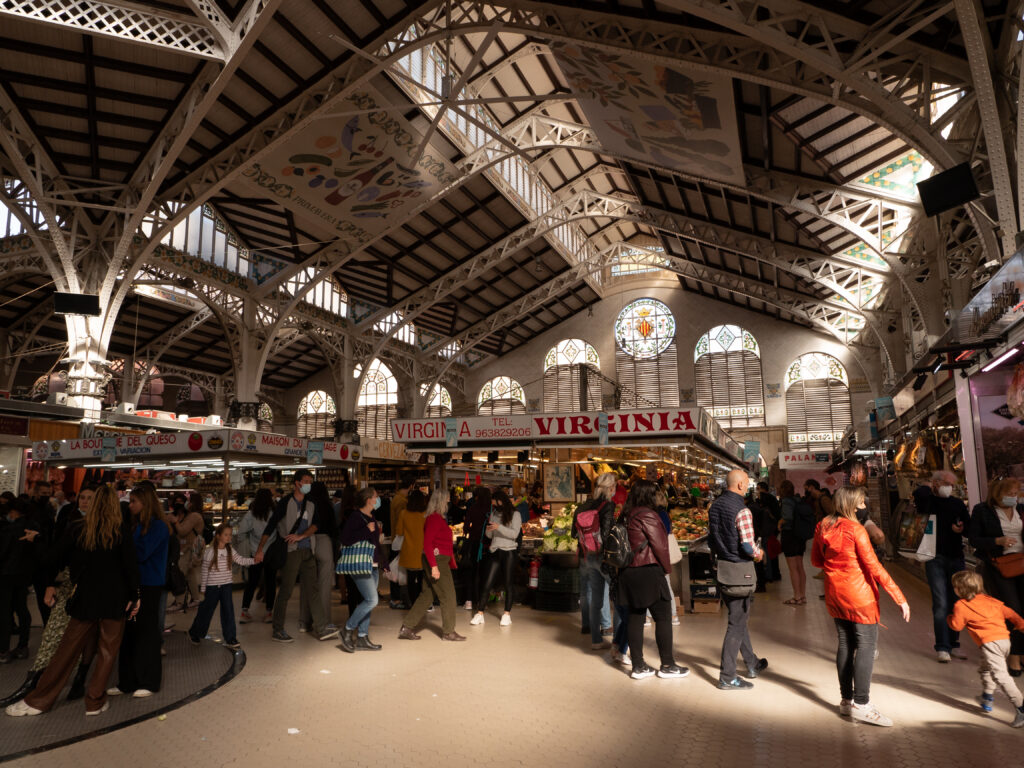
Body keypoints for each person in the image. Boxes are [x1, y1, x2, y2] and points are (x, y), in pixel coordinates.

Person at [6, 485, 140, 717]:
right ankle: (94, 702)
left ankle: (39, 700)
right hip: (115, 600)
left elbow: (52, 557)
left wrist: (37, 540)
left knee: (66, 651)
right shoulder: (121, 531)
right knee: (107, 652)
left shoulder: (78, 529)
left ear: (95, 503)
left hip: (84, 600)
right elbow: (130, 568)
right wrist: (135, 596)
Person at [812, 486, 909, 726]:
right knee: (865, 646)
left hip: (835, 593)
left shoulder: (823, 524)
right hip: (860, 596)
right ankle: (862, 704)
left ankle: (847, 701)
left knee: (845, 643)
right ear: (853, 506)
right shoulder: (856, 530)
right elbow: (874, 567)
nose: (865, 506)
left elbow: (816, 560)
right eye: (863, 503)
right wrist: (899, 597)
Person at [2, 486, 95, 705]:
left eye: (90, 499)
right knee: (55, 635)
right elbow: (59, 555)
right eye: (82, 497)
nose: (84, 502)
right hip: (72, 589)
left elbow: (57, 554)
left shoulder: (96, 528)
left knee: (84, 638)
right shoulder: (74, 523)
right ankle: (35, 682)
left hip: (89, 591)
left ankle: (73, 680)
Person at [253, 470, 339, 643]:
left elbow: (316, 524)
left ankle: (321, 628)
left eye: (310, 481)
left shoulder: (311, 502)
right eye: (305, 481)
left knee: (313, 590)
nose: (308, 484)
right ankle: (278, 629)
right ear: (297, 483)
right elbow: (271, 526)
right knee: (286, 591)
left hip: (308, 550)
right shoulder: (285, 503)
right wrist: (260, 548)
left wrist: (303, 536)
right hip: (291, 552)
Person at [616, 480, 686, 680]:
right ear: (649, 495)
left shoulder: (626, 515)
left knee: (636, 617)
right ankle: (668, 665)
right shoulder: (648, 514)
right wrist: (666, 569)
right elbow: (659, 546)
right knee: (663, 617)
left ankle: (638, 666)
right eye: (655, 493)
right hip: (648, 570)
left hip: (628, 571)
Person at [110, 484, 170, 698]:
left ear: (145, 503)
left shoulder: (159, 527)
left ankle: (149, 680)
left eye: (134, 501)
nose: (130, 505)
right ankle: (127, 681)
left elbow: (141, 553)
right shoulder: (134, 525)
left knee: (146, 632)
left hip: (149, 584)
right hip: (133, 583)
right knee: (129, 633)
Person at [709, 470, 767, 690]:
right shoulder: (742, 510)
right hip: (739, 572)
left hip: (722, 568)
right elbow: (746, 545)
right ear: (742, 485)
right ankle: (727, 676)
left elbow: (713, 537)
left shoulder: (715, 506)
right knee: (736, 624)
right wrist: (758, 554)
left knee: (737, 618)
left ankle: (752, 663)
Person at [947, 570, 1024, 726]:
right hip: (1004, 641)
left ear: (960, 589)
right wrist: (1021, 626)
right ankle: (987, 697)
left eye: (955, 587)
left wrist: (949, 617)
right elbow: (1013, 615)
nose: (954, 589)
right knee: (985, 668)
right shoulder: (993, 601)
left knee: (1000, 676)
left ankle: (1021, 708)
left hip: (990, 644)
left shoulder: (961, 605)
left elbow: (956, 626)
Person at [968, 477, 1024, 676]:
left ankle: (1020, 652)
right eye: (1010, 494)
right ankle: (1014, 657)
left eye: (1016, 493)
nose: (1013, 498)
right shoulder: (982, 511)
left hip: (1022, 563)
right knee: (1013, 609)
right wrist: (997, 541)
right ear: (997, 494)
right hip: (999, 566)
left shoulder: (1020, 509)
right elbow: (973, 538)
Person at [914, 471, 970, 663]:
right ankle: (942, 646)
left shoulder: (956, 504)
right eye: (946, 483)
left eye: (952, 485)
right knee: (940, 603)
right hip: (934, 557)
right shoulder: (927, 501)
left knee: (956, 602)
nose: (950, 488)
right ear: (936, 484)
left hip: (956, 557)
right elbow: (919, 493)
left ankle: (954, 643)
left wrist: (961, 529)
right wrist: (929, 485)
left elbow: (968, 528)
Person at [399, 489, 466, 642]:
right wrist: (434, 566)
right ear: (441, 501)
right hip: (437, 561)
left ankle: (407, 627)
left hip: (436, 560)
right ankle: (449, 632)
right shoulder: (434, 519)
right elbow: (427, 543)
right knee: (448, 596)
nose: (449, 502)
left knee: (427, 595)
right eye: (447, 499)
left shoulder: (436, 518)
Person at [337, 487, 389, 652]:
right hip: (359, 565)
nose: (377, 499)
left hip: (372, 565)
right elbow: (345, 539)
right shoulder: (355, 517)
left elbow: (375, 544)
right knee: (372, 600)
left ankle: (362, 638)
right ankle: (347, 628)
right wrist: (366, 530)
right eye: (376, 496)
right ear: (368, 500)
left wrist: (384, 564)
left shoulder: (371, 516)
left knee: (367, 601)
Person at [189, 524, 255, 651]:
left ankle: (230, 638)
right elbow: (204, 571)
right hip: (212, 587)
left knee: (228, 611)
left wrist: (254, 561)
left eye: (230, 534)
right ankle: (195, 633)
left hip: (226, 586)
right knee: (206, 611)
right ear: (218, 536)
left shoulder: (230, 550)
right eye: (226, 534)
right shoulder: (210, 552)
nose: (229, 537)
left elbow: (240, 560)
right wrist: (203, 589)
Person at [572, 472, 616, 649]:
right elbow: (606, 534)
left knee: (591, 594)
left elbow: (573, 533)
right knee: (613, 595)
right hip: (602, 556)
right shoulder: (608, 505)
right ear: (610, 488)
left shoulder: (582, 506)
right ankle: (612, 635)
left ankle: (592, 633)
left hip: (586, 554)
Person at [469, 490, 522, 627]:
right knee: (487, 583)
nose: (494, 505)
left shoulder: (515, 514)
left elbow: (514, 534)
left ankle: (506, 614)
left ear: (501, 500)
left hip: (509, 551)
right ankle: (480, 613)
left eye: (495, 502)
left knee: (508, 583)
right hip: (495, 550)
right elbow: (489, 536)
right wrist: (489, 529)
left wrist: (499, 527)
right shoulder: (494, 513)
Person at [0, 498, 39, 663]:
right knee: (22, 609)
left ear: (13, 511)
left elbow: (2, 553)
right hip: (23, 575)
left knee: (4, 612)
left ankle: (3, 650)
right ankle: (23, 645)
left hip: (6, 575)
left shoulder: (8, 530)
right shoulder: (33, 528)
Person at [300, 481, 339, 633]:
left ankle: (304, 621)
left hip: (307, 542)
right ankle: (324, 621)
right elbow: (334, 528)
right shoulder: (327, 505)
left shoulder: (306, 504)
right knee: (324, 584)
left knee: (306, 583)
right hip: (324, 541)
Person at [237, 488, 276, 624]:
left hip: (255, 553)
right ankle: (269, 612)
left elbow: (241, 533)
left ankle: (244, 611)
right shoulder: (274, 514)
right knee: (270, 582)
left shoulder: (251, 514)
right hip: (271, 553)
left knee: (252, 582)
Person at [171, 492, 205, 609]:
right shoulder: (191, 515)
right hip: (187, 548)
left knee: (180, 573)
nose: (186, 503)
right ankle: (196, 599)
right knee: (190, 575)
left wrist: (175, 522)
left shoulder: (194, 516)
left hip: (189, 549)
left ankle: (179, 602)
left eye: (187, 501)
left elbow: (183, 531)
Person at [396, 490, 428, 609]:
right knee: (421, 578)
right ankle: (421, 604)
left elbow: (399, 531)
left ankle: (412, 603)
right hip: (423, 551)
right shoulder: (425, 514)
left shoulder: (404, 513)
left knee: (410, 579)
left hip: (409, 550)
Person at [461, 487, 490, 610]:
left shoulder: (473, 508)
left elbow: (466, 528)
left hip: (474, 544)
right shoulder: (491, 509)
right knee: (484, 574)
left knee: (472, 573)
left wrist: (473, 530)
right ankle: (482, 602)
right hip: (487, 545)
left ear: (477, 496)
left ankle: (469, 601)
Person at [756, 482, 782, 583]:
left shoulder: (765, 498)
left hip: (767, 530)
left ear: (762, 488)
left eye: (758, 488)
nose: (757, 491)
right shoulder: (773, 498)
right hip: (773, 529)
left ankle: (769, 575)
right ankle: (775, 574)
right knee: (772, 553)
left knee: (768, 552)